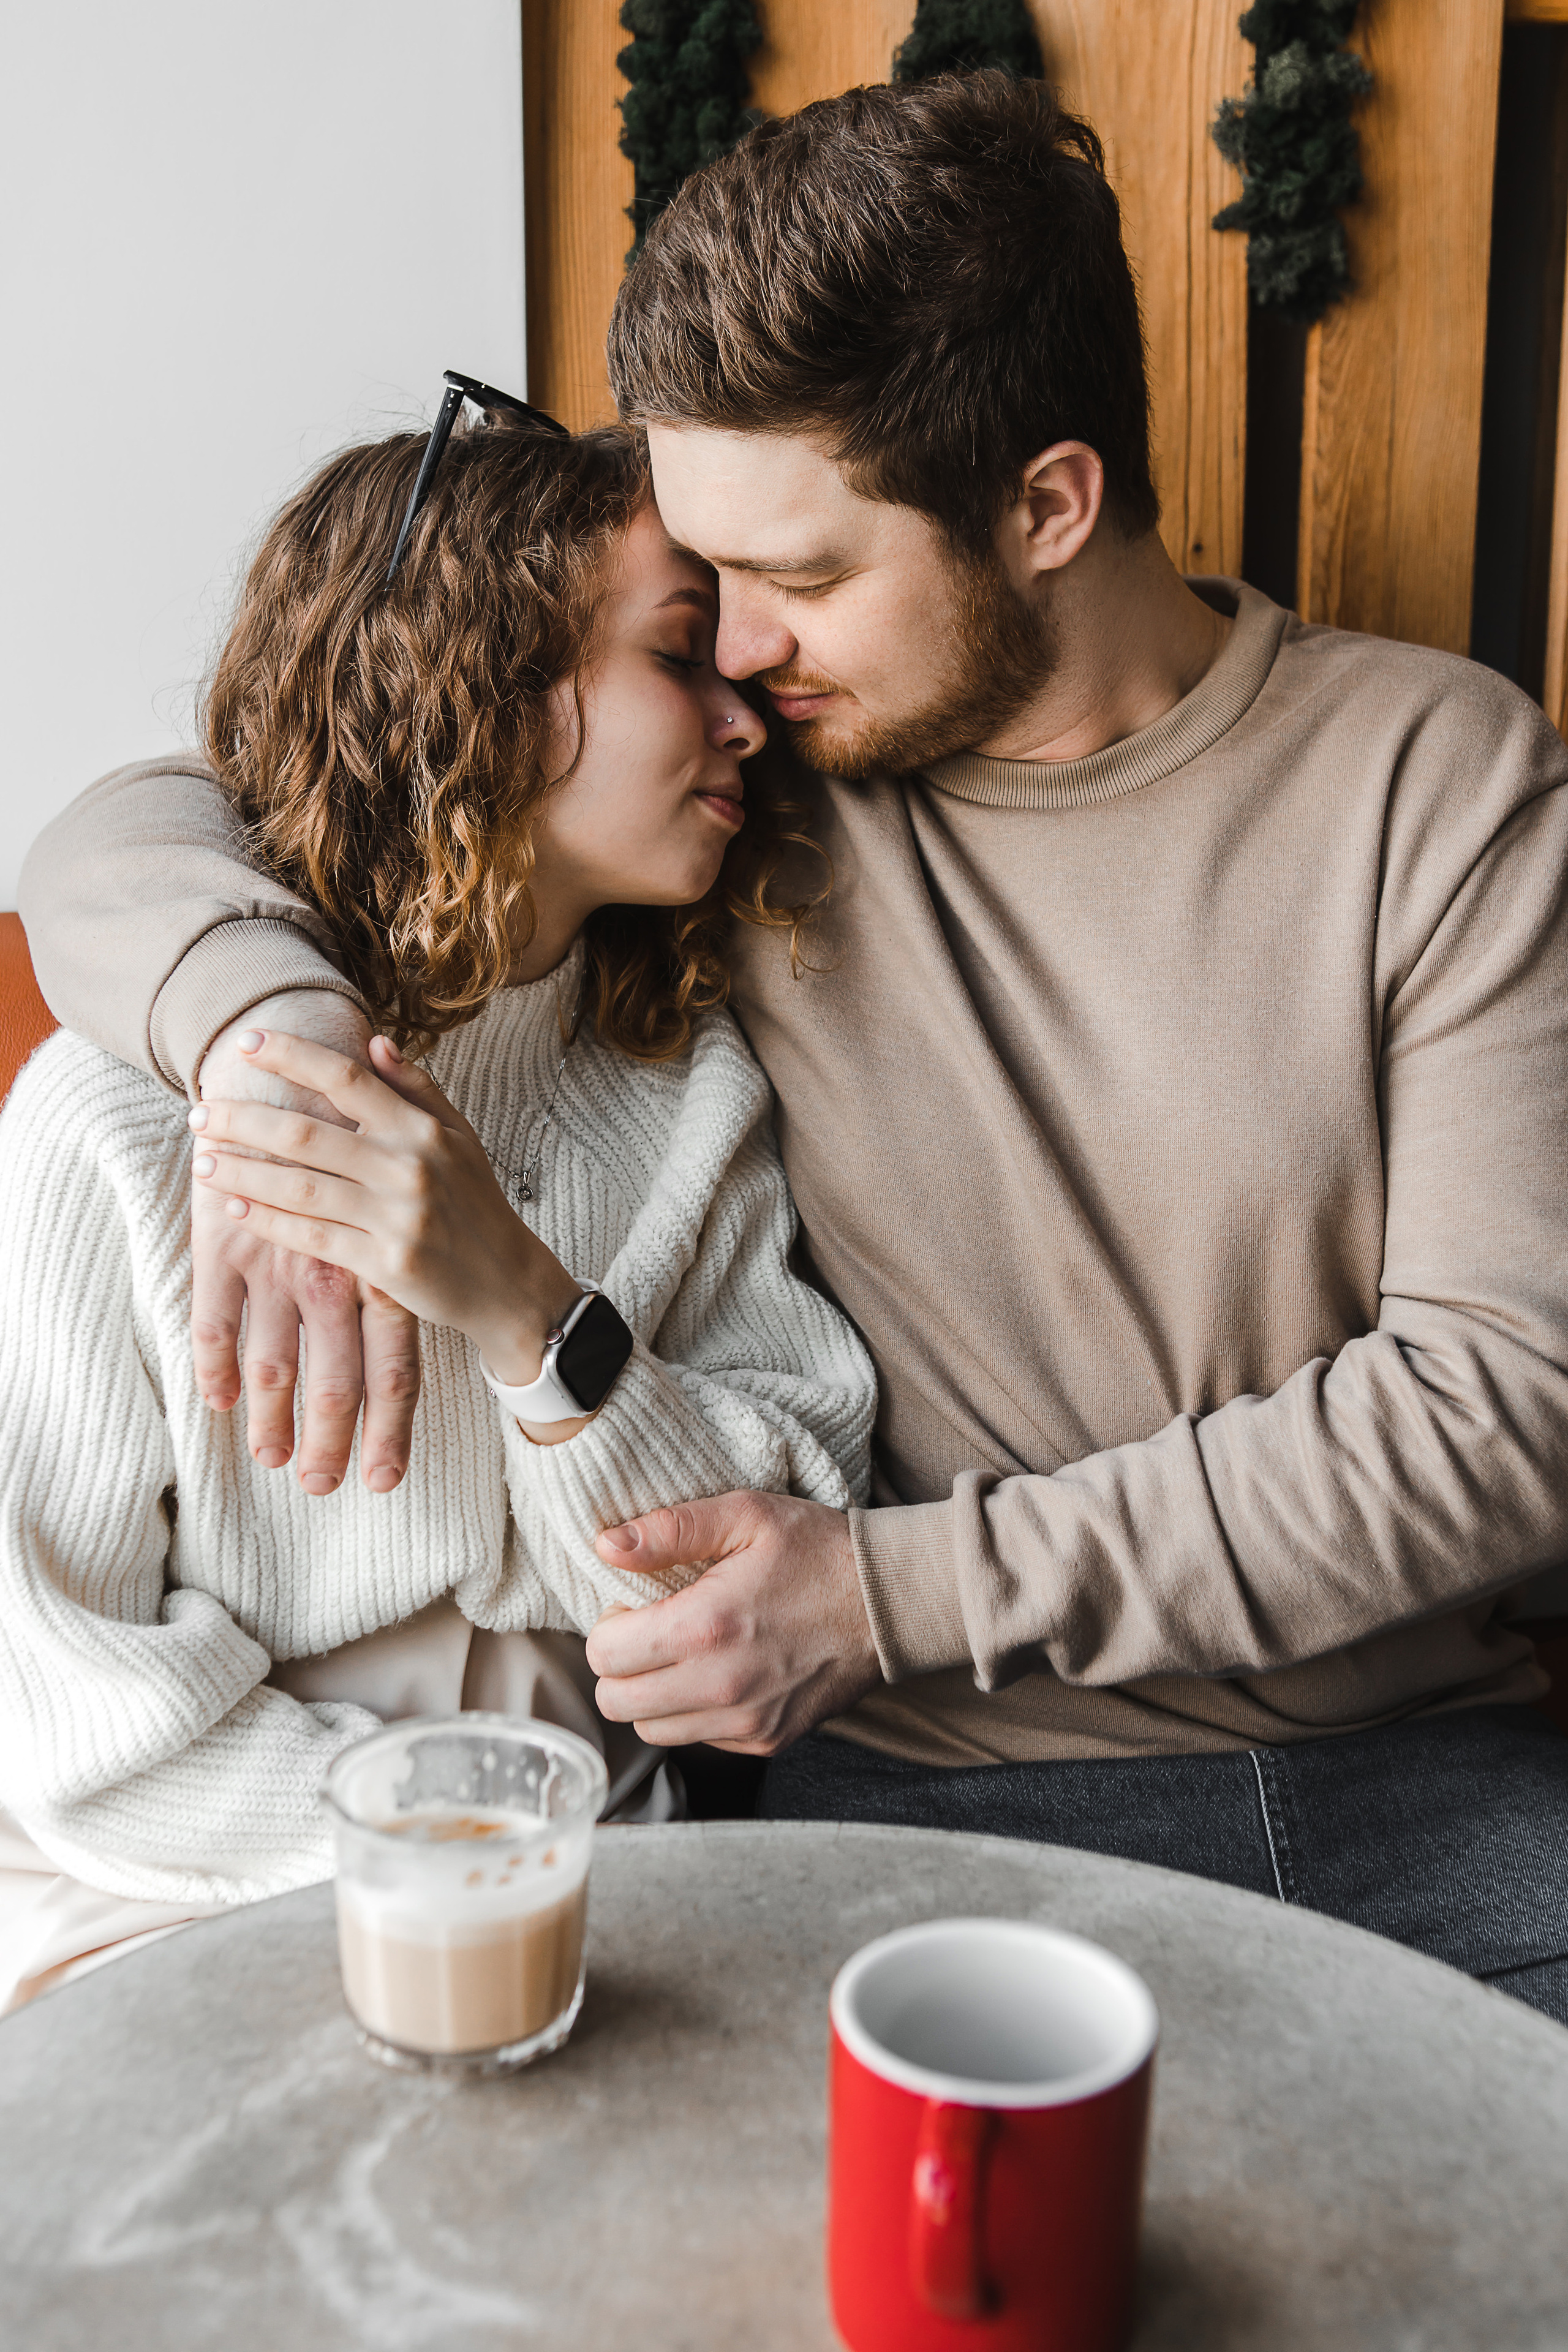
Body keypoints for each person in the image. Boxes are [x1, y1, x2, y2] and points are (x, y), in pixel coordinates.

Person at [21, 74, 1568, 2020]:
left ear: (1049, 507)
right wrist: (266, 1039)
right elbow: (163, 819)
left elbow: (1511, 1403)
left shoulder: (1441, 780)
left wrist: (891, 1589)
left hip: (1414, 1774)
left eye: (803, 578)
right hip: (925, 1780)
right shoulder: (752, 803)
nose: (740, 651)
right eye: (708, 588)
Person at [0, 409, 875, 2013]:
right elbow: (53, 1703)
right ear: (482, 686)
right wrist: (444, 1852)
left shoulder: (690, 1088)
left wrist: (533, 1319)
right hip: (181, 1876)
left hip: (609, 1865)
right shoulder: (111, 1125)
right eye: (684, 654)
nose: (751, 716)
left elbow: (753, 1580)